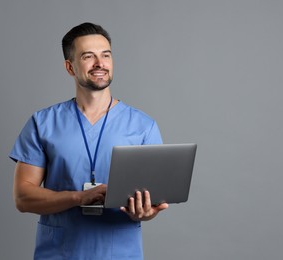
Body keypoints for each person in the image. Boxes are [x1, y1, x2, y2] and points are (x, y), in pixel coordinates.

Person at [9, 22, 168, 260]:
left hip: (120, 252)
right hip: (59, 253)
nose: (100, 64)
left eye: (106, 55)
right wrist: (78, 197)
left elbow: (153, 200)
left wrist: (145, 213)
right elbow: (23, 197)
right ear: (70, 67)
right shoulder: (42, 123)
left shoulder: (143, 126)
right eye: (88, 56)